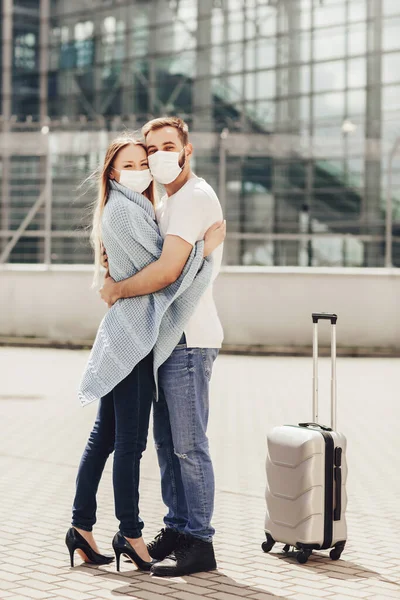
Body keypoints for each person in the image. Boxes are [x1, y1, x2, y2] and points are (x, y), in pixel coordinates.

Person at [66, 134, 224, 573]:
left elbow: (155, 269)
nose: (141, 169)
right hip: (134, 341)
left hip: (128, 338)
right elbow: (166, 275)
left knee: (106, 438)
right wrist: (203, 250)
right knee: (130, 445)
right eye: (131, 163)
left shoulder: (142, 208)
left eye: (145, 160)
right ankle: (130, 535)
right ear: (112, 173)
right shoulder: (127, 213)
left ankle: (80, 528)